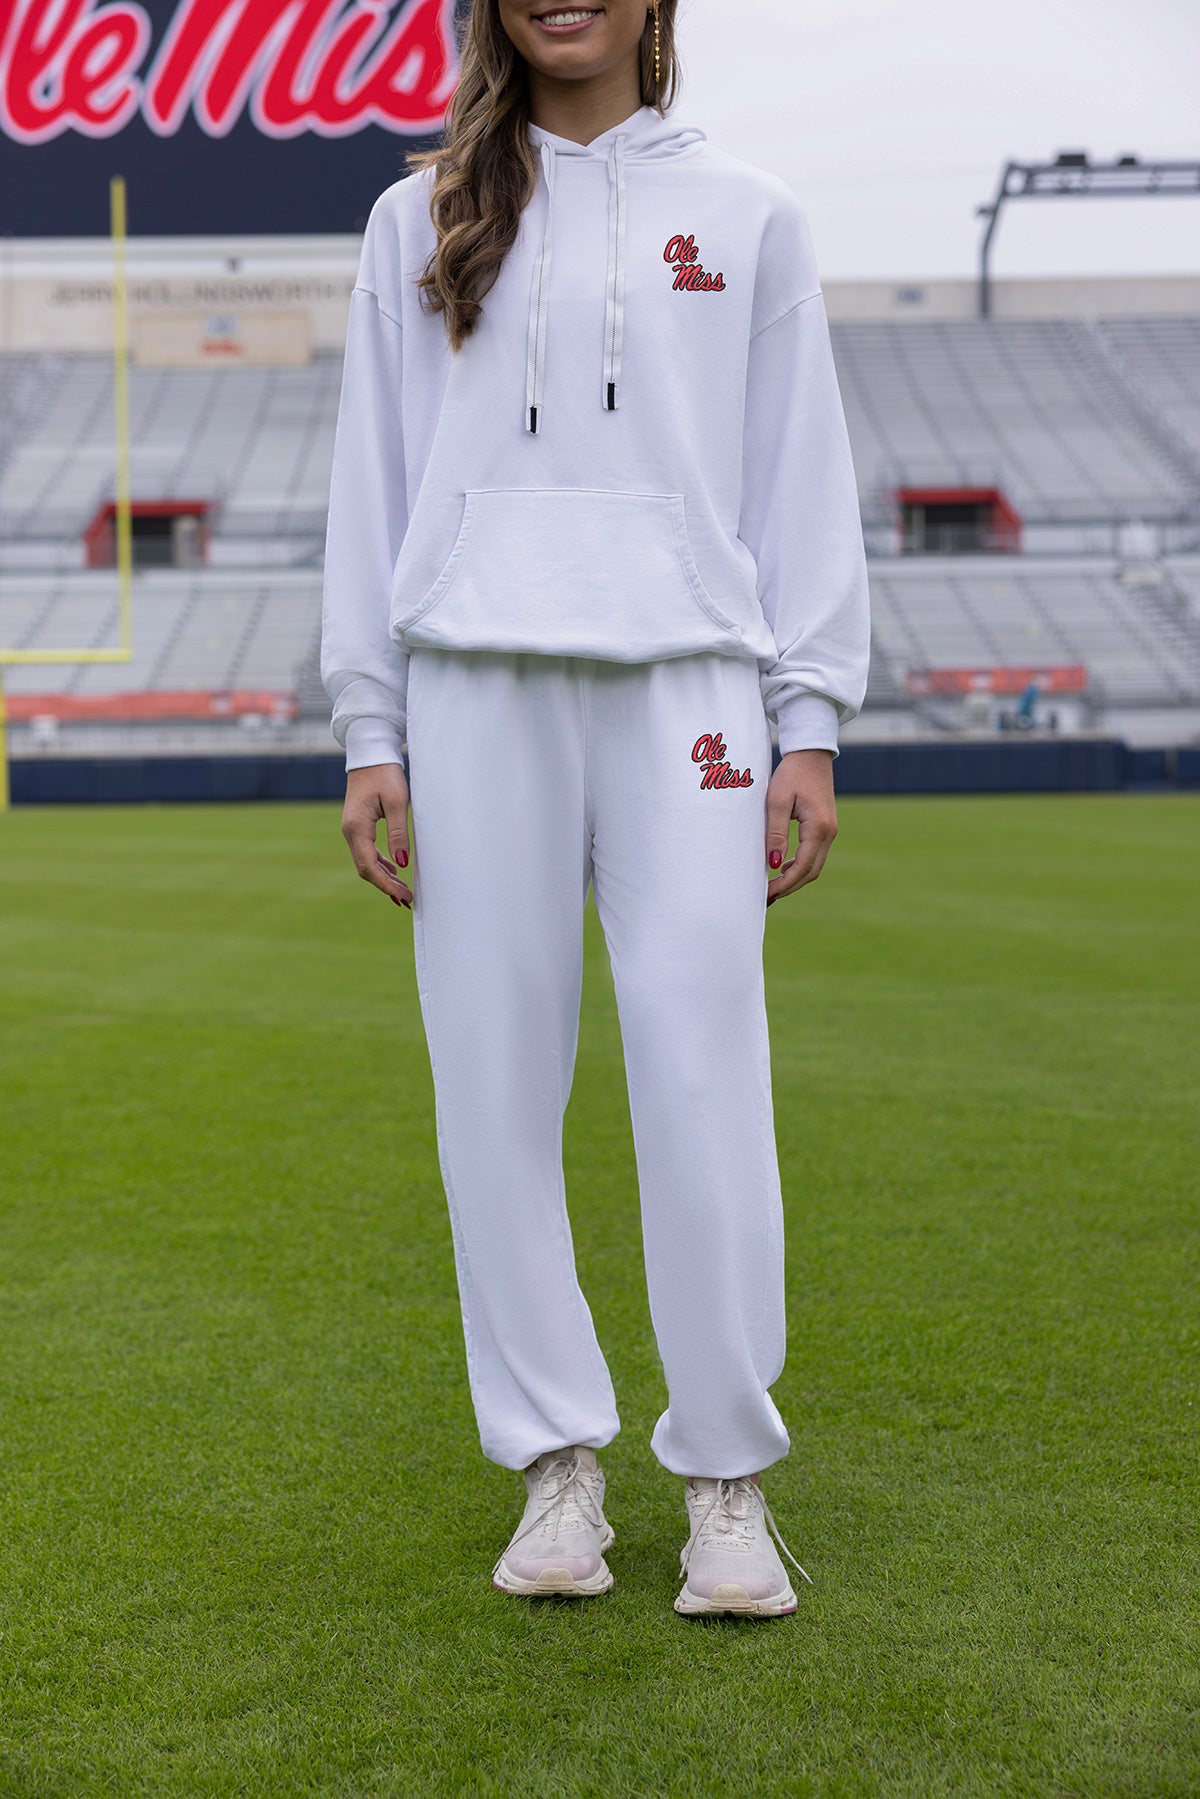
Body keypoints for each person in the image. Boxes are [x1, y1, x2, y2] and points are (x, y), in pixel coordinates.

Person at [320, 0, 870, 1619]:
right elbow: (376, 472)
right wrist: (371, 724)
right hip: (473, 685)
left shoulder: (750, 215)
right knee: (492, 1083)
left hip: (689, 686)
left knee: (702, 1063)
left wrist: (809, 716)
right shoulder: (417, 214)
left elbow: (796, 470)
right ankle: (559, 1467)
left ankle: (725, 1480)